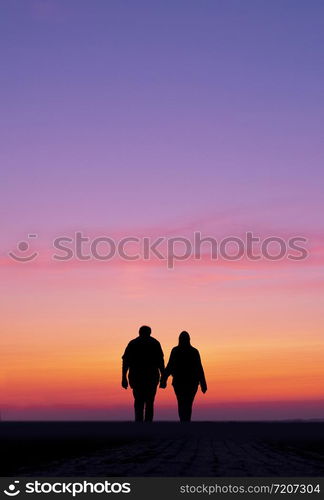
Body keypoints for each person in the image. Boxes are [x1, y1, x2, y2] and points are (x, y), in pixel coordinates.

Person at [160, 331, 207, 422]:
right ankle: (185, 421)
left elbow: (170, 366)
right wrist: (203, 384)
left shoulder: (177, 351)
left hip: (183, 382)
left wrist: (163, 380)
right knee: (187, 403)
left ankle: (184, 421)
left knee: (182, 403)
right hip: (186, 382)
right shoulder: (193, 351)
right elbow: (199, 368)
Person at [122, 325, 164, 422]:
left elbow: (125, 362)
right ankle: (145, 425)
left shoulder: (133, 343)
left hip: (139, 377)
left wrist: (124, 378)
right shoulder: (154, 343)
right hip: (147, 377)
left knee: (139, 402)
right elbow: (160, 362)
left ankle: (140, 425)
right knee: (148, 402)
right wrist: (163, 377)